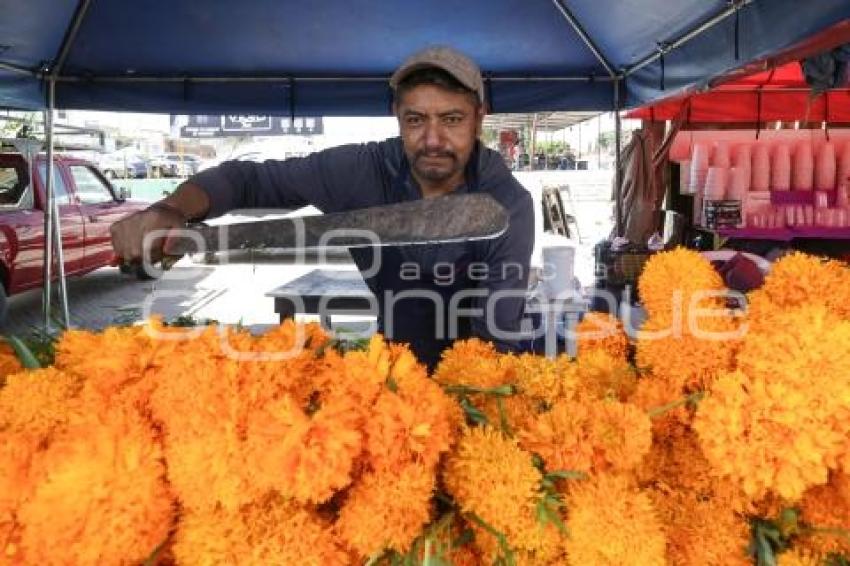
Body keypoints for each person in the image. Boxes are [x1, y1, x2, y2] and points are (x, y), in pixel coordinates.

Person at [110, 46, 534, 368]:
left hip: (476, 377)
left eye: (453, 120)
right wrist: (170, 210)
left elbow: (496, 339)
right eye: (416, 120)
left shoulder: (507, 206)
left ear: (480, 118)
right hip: (390, 368)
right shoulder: (361, 170)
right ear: (396, 116)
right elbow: (248, 180)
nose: (434, 139)